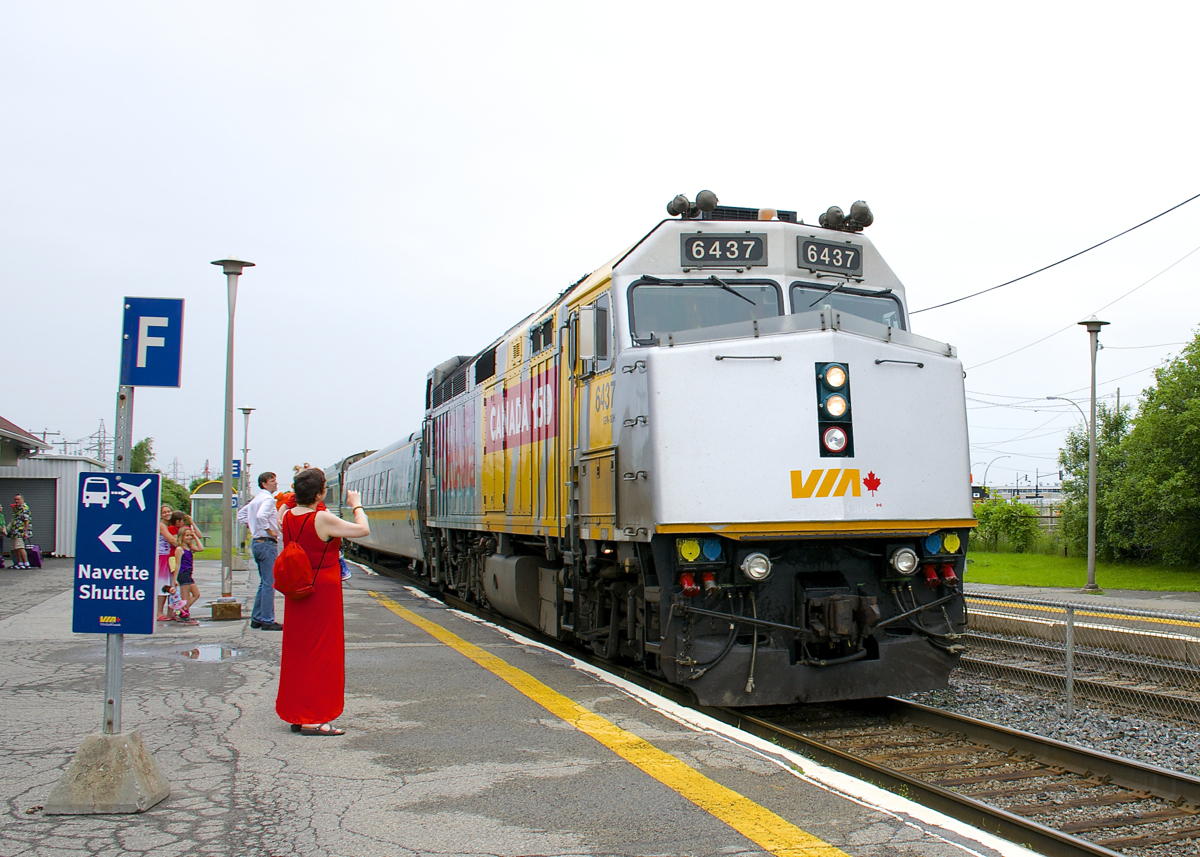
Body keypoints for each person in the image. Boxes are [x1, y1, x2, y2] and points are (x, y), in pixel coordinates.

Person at [276, 468, 369, 736]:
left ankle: (297, 713)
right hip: (321, 590)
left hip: (297, 589)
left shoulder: (288, 516)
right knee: (321, 653)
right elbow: (363, 529)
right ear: (319, 494)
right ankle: (314, 718)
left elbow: (290, 502)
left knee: (298, 654)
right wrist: (357, 504)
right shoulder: (323, 519)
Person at [247, 472, 283, 631]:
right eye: (272, 481)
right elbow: (262, 516)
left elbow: (243, 515)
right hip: (267, 543)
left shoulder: (256, 499)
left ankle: (257, 618)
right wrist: (269, 530)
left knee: (264, 582)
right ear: (264, 484)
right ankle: (267, 620)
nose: (276, 483)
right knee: (270, 583)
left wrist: (253, 529)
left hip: (257, 542)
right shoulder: (268, 499)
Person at [170, 511, 203, 619]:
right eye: (187, 536)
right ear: (181, 537)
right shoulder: (179, 549)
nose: (189, 538)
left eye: (190, 536)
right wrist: (175, 579)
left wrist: (194, 536)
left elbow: (201, 548)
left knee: (196, 594)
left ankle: (182, 611)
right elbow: (177, 564)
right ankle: (184, 613)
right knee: (185, 596)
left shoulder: (189, 547)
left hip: (189, 573)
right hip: (183, 574)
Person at [156, 505, 179, 620]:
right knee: (163, 584)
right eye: (164, 512)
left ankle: (171, 612)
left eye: (169, 511)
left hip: (169, 556)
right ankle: (159, 612)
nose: (167, 514)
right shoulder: (161, 525)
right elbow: (171, 540)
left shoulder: (169, 525)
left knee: (172, 584)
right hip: (162, 556)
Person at [10, 496, 33, 569]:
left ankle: (26, 562)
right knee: (15, 548)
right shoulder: (18, 508)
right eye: (15, 500)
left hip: (21, 531)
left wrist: (25, 532)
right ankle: (19, 562)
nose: (16, 501)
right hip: (15, 531)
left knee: (20, 547)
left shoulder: (24, 508)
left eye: (18, 499)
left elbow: (26, 521)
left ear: (22, 500)